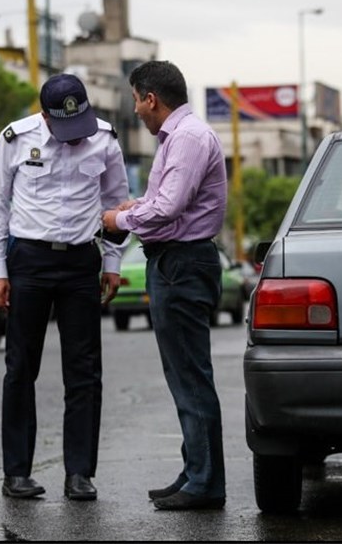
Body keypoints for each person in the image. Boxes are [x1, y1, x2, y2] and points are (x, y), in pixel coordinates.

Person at [0, 73, 129, 501]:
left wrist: (113, 263)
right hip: (29, 261)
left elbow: (116, 204)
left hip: (82, 262)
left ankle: (80, 473)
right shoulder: (14, 140)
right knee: (21, 368)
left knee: (84, 372)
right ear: (43, 115)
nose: (72, 138)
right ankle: (17, 473)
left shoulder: (104, 139)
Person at [102, 60, 227, 511]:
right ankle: (196, 470)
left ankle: (206, 481)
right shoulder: (177, 138)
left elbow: (169, 208)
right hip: (174, 262)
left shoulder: (188, 138)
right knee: (183, 376)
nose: (135, 109)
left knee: (191, 377)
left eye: (136, 99)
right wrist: (139, 205)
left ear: (151, 98)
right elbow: (164, 202)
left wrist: (119, 218)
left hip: (182, 263)